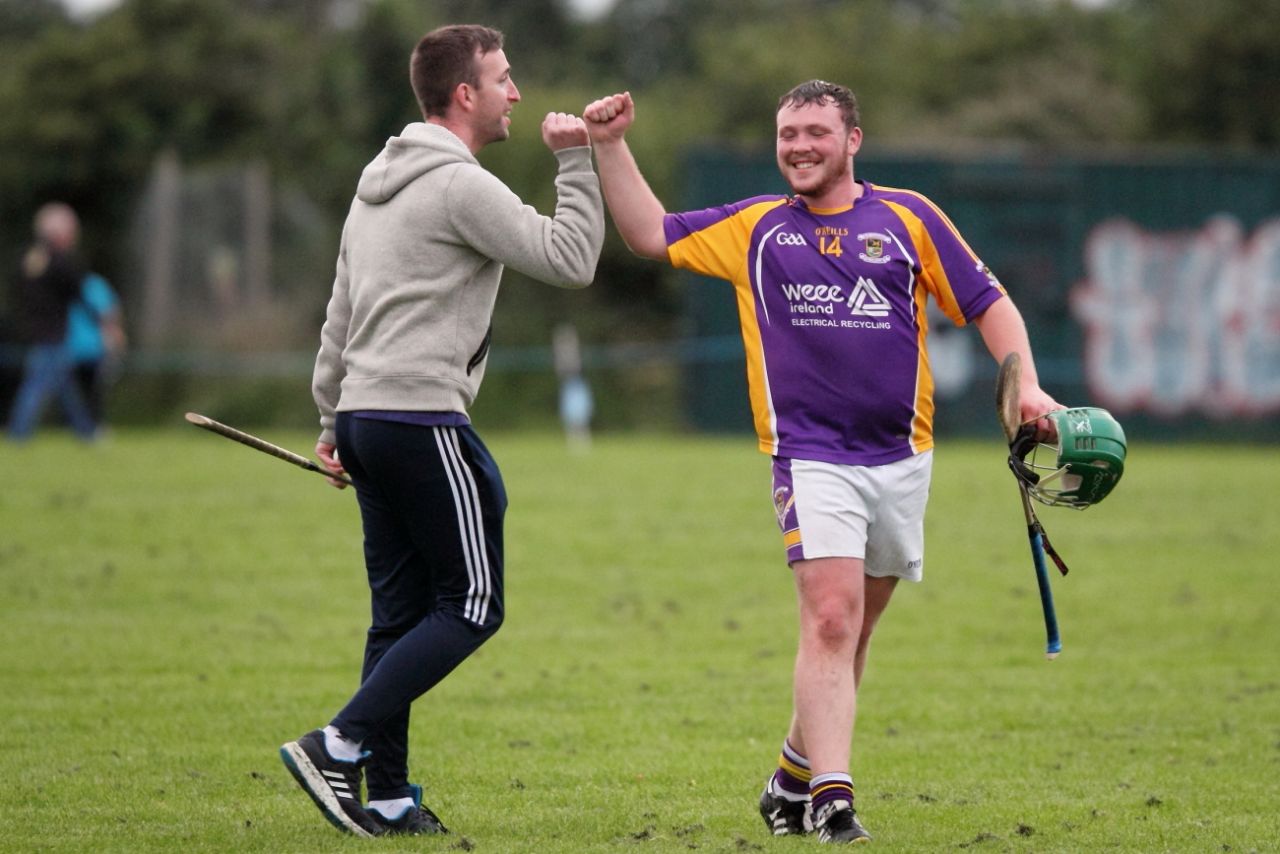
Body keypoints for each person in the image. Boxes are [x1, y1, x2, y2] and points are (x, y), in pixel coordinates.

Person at [583, 82, 1062, 844]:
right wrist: (607, 145)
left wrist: (1027, 383)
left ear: (852, 141)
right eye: (786, 134)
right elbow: (648, 233)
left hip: (903, 457)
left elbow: (986, 301)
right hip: (809, 457)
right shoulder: (758, 229)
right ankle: (832, 801)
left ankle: (790, 779)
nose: (798, 146)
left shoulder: (909, 217)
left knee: (856, 631)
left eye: (814, 132)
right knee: (831, 619)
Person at [278, 24, 604, 838]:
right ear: (466, 94)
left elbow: (339, 314)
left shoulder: (374, 181)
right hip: (420, 416)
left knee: (398, 617)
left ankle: (385, 795)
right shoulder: (459, 184)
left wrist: (330, 421)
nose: (516, 94)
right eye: (504, 78)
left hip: (363, 416)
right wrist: (576, 159)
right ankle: (337, 743)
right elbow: (571, 259)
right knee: (473, 604)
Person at [5, 202, 97, 442]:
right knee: (36, 385)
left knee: (65, 386)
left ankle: (86, 432)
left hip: (36, 332)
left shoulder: (28, 260)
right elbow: (78, 294)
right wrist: (99, 321)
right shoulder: (59, 262)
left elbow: (17, 296)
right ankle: (18, 433)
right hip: (53, 334)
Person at [65, 271, 127, 431]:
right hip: (94, 346)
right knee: (94, 391)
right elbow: (108, 312)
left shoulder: (65, 285)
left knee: (76, 391)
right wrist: (116, 334)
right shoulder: (95, 285)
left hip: (70, 346)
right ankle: (94, 426)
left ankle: (80, 426)